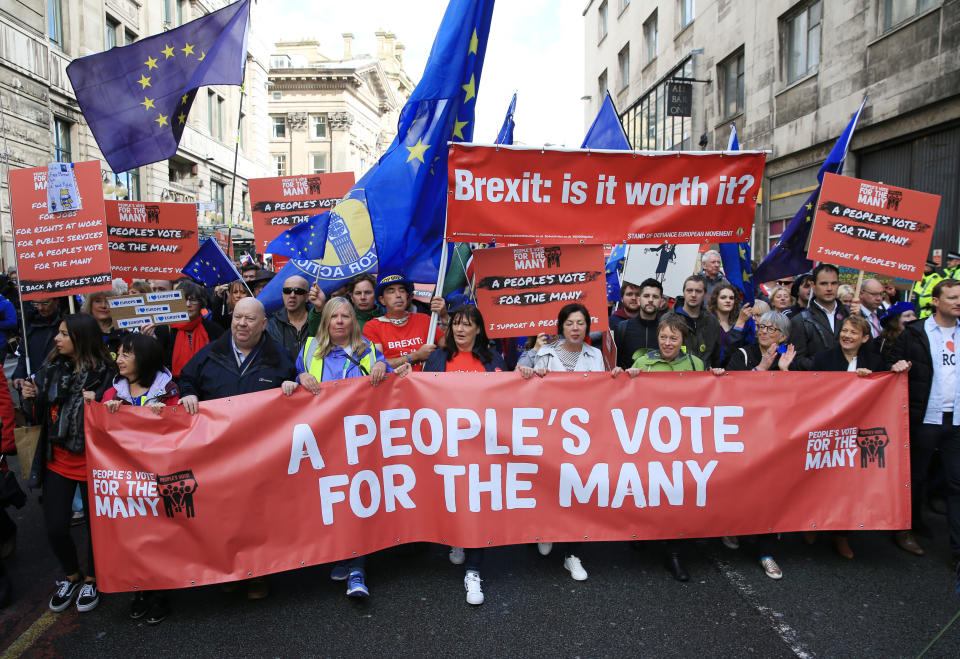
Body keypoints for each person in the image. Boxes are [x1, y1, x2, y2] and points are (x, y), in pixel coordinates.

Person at [179, 297, 298, 599]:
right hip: (219, 455)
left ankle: (259, 574)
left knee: (259, 516)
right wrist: (188, 394)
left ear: (263, 324)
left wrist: (293, 386)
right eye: (237, 318)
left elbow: (296, 386)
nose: (241, 324)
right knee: (224, 516)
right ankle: (229, 570)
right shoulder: (209, 355)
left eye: (249, 319)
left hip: (261, 456)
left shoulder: (280, 358)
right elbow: (186, 380)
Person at [294, 297, 410, 600]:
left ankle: (358, 568)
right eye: (335, 316)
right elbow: (294, 386)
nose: (341, 321)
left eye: (347, 316)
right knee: (335, 498)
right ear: (326, 322)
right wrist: (299, 378)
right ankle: (341, 553)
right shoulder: (308, 350)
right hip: (324, 439)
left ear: (354, 322)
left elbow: (385, 378)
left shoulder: (370, 351)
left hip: (359, 440)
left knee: (358, 498)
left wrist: (383, 367)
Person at [21, 314, 114, 613]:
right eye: (58, 333)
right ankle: (71, 575)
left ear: (81, 338)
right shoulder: (50, 369)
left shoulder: (108, 374)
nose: (56, 339)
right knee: (56, 527)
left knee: (96, 529)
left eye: (63, 334)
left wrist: (99, 404)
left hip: (93, 462)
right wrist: (29, 397)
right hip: (57, 460)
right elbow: (39, 414)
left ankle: (92, 578)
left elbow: (118, 414)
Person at [624, 313, 723, 581]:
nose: (667, 343)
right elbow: (624, 396)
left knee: (676, 493)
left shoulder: (696, 363)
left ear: (683, 340)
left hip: (682, 441)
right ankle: (640, 530)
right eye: (663, 337)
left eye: (674, 338)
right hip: (647, 438)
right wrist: (627, 377)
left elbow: (708, 398)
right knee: (648, 488)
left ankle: (674, 553)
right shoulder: (643, 361)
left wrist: (716, 377)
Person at [807, 315, 909, 559]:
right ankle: (810, 524)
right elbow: (810, 391)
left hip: (857, 433)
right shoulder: (823, 359)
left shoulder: (875, 361)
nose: (847, 335)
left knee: (849, 485)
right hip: (826, 430)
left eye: (853, 332)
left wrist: (888, 374)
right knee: (818, 481)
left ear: (865, 338)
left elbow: (887, 389)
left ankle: (841, 535)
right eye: (844, 330)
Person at [518, 303, 606, 581]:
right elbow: (519, 375)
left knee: (577, 491)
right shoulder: (544, 353)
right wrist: (531, 365)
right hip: (549, 431)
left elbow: (603, 391)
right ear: (561, 327)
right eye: (570, 323)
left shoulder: (596, 355)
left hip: (582, 434)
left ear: (587, 327)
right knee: (547, 484)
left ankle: (572, 554)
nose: (575, 328)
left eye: (580, 323)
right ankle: (545, 529)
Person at [424, 305, 504, 605]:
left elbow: (507, 398)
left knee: (476, 505)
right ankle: (458, 539)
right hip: (447, 445)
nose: (460, 329)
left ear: (478, 330)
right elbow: (422, 396)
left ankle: (474, 571)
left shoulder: (493, 359)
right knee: (454, 499)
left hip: (482, 448)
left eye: (467, 325)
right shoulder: (438, 358)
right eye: (456, 323)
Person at [102, 333, 179, 624]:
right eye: (118, 354)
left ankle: (160, 592)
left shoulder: (168, 389)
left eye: (126, 354)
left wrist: (166, 415)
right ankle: (139, 588)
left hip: (158, 473)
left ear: (144, 358)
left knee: (159, 535)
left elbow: (179, 429)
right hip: (125, 477)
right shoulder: (112, 393)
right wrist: (105, 412)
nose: (118, 359)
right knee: (132, 536)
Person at [888, 278, 960, 563]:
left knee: (957, 483)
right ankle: (907, 528)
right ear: (936, 301)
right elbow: (891, 362)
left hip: (956, 421)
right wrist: (896, 367)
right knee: (915, 478)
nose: (958, 302)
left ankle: (957, 550)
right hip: (924, 418)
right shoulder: (916, 332)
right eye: (952, 297)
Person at [362, 274, 447, 372]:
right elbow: (376, 365)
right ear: (382, 300)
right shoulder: (372, 326)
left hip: (424, 384)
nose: (398, 295)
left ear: (408, 296)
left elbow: (448, 346)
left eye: (402, 290)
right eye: (391, 291)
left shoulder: (424, 319)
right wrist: (415, 356)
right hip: (393, 385)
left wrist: (444, 316)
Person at [152, 282, 224, 378]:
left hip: (206, 384)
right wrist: (151, 341)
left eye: (193, 300)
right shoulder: (164, 330)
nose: (188, 304)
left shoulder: (214, 330)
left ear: (201, 303)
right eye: (183, 300)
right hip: (174, 386)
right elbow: (155, 362)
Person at [789, 263, 850, 371]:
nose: (829, 288)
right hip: (819, 383)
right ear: (813, 285)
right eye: (824, 284)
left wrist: (859, 320)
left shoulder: (850, 314)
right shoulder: (800, 320)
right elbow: (797, 361)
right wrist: (825, 364)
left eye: (833, 283)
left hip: (851, 383)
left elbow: (868, 351)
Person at [613, 278, 665, 370]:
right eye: (646, 296)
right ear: (638, 300)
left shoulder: (667, 329)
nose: (650, 300)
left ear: (661, 302)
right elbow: (614, 363)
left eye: (655, 297)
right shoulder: (622, 328)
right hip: (629, 383)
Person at [675, 275, 722, 367]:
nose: (693, 295)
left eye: (698, 291)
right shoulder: (669, 319)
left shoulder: (712, 322)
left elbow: (716, 356)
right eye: (689, 290)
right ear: (683, 292)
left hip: (704, 377)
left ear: (705, 294)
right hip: (678, 376)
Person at [267, 275, 312, 360]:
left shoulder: (318, 322)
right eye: (287, 291)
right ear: (283, 295)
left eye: (298, 291)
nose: (292, 295)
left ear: (307, 297)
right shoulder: (271, 325)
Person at [81, 290, 127, 358]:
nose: (103, 306)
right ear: (90, 305)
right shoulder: (80, 331)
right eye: (98, 301)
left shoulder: (124, 334)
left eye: (108, 301)